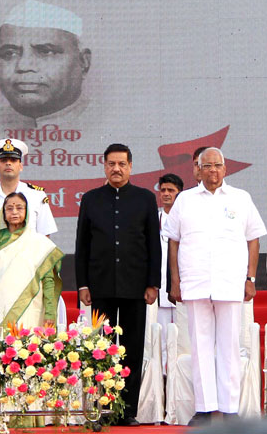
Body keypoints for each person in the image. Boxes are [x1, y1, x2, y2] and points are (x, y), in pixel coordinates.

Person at [163, 147, 266, 426]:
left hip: (231, 282)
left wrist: (251, 278)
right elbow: (174, 241)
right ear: (197, 169)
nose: (212, 171)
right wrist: (175, 281)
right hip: (195, 282)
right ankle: (205, 408)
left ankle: (230, 409)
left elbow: (253, 239)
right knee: (200, 346)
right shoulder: (185, 200)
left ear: (225, 168)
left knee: (230, 346)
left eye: (217, 166)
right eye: (206, 166)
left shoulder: (240, 199)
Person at [76, 143, 161, 425]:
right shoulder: (91, 199)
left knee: (132, 349)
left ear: (130, 166)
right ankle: (101, 409)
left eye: (122, 164)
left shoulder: (145, 198)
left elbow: (153, 244)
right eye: (111, 164)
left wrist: (153, 283)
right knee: (100, 349)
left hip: (136, 286)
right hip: (100, 285)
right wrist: (82, 284)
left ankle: (127, 411)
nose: (116, 169)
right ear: (104, 166)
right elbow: (82, 244)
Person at [0, 0, 92, 128]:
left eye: (45, 52)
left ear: (83, 63)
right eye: (9, 54)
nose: (23, 66)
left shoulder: (114, 124)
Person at [0, 138, 57, 283]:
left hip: (29, 273)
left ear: (21, 165)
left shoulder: (37, 196)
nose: (8, 163)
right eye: (3, 160)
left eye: (13, 160)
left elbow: (45, 241)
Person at [0, 191, 63, 328]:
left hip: (31, 305)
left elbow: (48, 280)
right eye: (9, 208)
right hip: (0, 305)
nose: (14, 212)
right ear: (3, 213)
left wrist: (50, 313)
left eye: (19, 208)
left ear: (27, 211)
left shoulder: (38, 242)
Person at [156, 174, 185, 344]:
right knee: (162, 336)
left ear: (179, 193)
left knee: (183, 337)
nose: (166, 194)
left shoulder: (186, 218)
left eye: (171, 191)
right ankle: (164, 371)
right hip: (160, 288)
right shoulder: (154, 219)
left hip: (183, 286)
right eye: (163, 190)